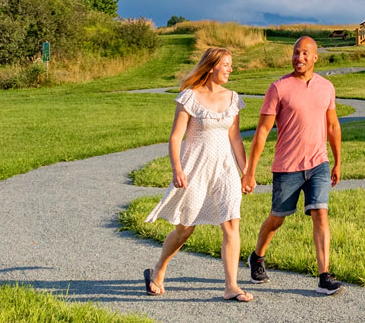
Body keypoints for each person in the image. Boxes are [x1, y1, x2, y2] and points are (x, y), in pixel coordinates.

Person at [142, 48, 254, 302]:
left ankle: (231, 287)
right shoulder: (189, 97)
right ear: (212, 65)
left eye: (231, 65)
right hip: (195, 169)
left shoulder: (233, 98)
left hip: (225, 169)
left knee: (231, 223)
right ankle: (159, 269)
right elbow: (175, 137)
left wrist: (245, 172)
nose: (230, 69)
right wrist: (177, 170)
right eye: (226, 64)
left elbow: (235, 138)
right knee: (185, 228)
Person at [243, 36, 344, 295]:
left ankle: (324, 275)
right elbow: (263, 132)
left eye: (305, 54)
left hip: (318, 163)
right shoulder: (278, 88)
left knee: (321, 213)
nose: (299, 58)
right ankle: (257, 257)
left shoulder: (326, 87)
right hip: (287, 166)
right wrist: (250, 172)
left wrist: (337, 161)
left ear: (315, 57)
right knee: (277, 219)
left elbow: (332, 126)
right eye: (296, 53)